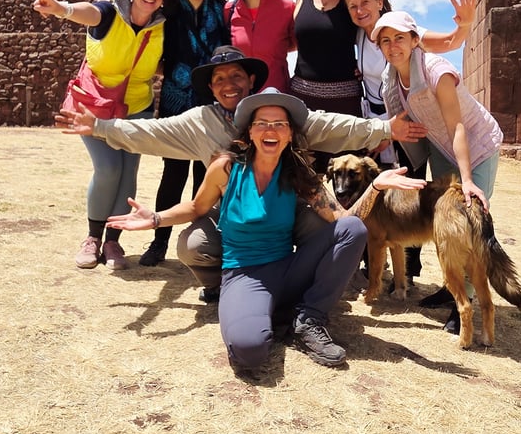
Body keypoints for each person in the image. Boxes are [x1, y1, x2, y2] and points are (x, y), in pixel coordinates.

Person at [55, 45, 430, 299]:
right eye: (219, 80)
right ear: (212, 89)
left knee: (326, 226)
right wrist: (102, 127)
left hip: (287, 207)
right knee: (193, 245)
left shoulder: (276, 112)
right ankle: (222, 285)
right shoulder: (200, 122)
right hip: (233, 214)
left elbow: (329, 125)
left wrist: (383, 129)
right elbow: (149, 133)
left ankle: (304, 285)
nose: (228, 85)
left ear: (251, 80)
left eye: (236, 76)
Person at [106, 87, 427, 369]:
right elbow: (196, 208)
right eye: (262, 123)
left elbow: (344, 221)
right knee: (249, 352)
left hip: (288, 269)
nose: (270, 129)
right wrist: (156, 218)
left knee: (354, 231)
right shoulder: (227, 166)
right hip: (244, 275)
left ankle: (309, 318)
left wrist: (376, 188)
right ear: (249, 132)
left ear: (289, 134)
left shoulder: (296, 171)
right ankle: (272, 312)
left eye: (279, 124)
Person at [18, 0, 170, 270]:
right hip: (94, 105)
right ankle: (92, 237)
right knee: (109, 169)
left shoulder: (162, 25)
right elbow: (86, 12)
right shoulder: (108, 12)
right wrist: (61, 8)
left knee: (129, 173)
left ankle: (114, 242)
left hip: (137, 107)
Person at [372, 10, 503, 331]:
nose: (392, 46)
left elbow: (457, 125)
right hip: (442, 148)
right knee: (448, 226)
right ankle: (451, 290)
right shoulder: (393, 78)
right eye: (385, 41)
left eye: (400, 38)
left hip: (476, 143)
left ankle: (467, 301)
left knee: (469, 218)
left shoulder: (436, 71)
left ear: (415, 40)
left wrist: (468, 180)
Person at [344, 0, 476, 283]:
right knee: (388, 196)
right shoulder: (361, 38)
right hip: (383, 119)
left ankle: (413, 268)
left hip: (411, 120)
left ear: (380, 1)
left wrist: (465, 26)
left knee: (415, 195)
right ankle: (389, 267)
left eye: (366, 2)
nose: (359, 9)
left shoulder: (401, 29)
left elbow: (449, 43)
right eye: (353, 5)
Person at [141, 0, 228, 267]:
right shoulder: (169, 9)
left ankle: (197, 240)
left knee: (206, 176)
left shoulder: (220, 10)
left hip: (210, 103)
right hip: (176, 102)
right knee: (173, 172)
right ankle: (159, 240)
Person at [290, 0, 362, 173]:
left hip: (346, 106)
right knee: (304, 181)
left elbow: (382, 34)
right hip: (303, 104)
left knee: (348, 185)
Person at [225, 0, 296, 93]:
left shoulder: (288, 8)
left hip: (276, 99)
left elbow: (297, 44)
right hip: (239, 100)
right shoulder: (227, 11)